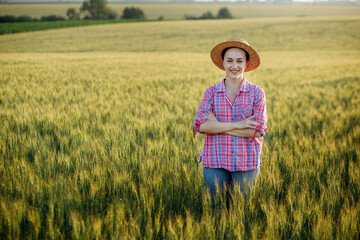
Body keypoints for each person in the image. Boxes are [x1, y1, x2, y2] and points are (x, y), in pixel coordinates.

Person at [193, 38, 268, 212]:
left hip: (246, 161)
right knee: (216, 210)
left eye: (239, 61)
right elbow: (201, 126)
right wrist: (240, 124)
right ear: (223, 63)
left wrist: (218, 126)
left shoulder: (257, 93)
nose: (234, 66)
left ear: (246, 64)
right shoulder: (211, 92)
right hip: (214, 160)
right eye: (230, 60)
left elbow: (257, 131)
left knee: (240, 212)